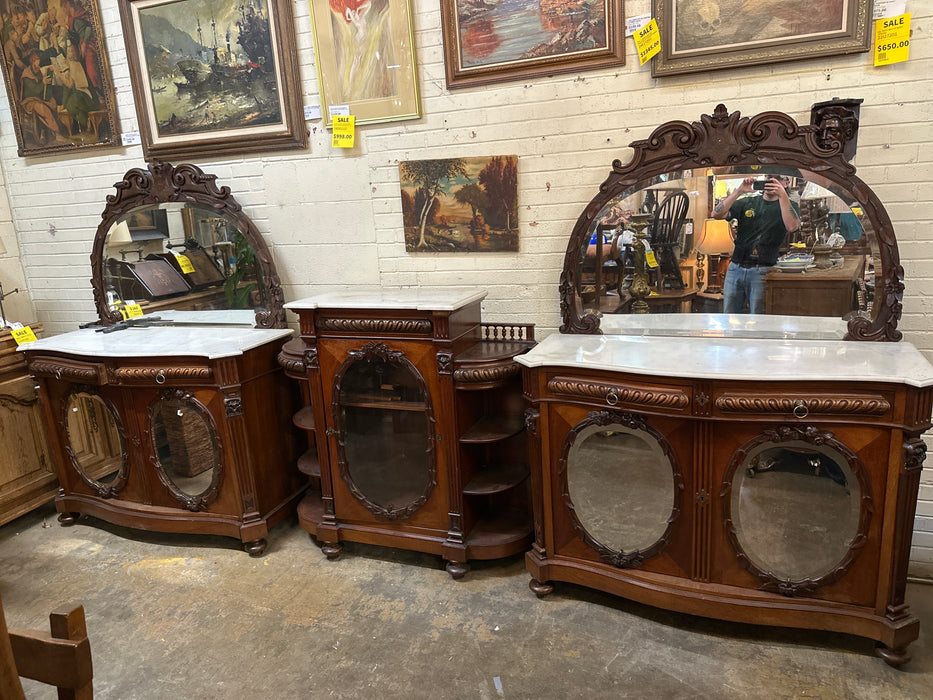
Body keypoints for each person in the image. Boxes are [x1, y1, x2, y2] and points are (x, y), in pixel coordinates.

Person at [711, 175, 800, 314]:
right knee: (728, 318)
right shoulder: (747, 202)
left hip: (763, 270)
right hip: (735, 268)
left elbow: (792, 226)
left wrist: (783, 195)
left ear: (786, 182)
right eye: (769, 178)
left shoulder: (790, 206)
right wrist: (738, 191)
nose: (771, 181)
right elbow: (716, 214)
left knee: (759, 319)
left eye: (776, 179)